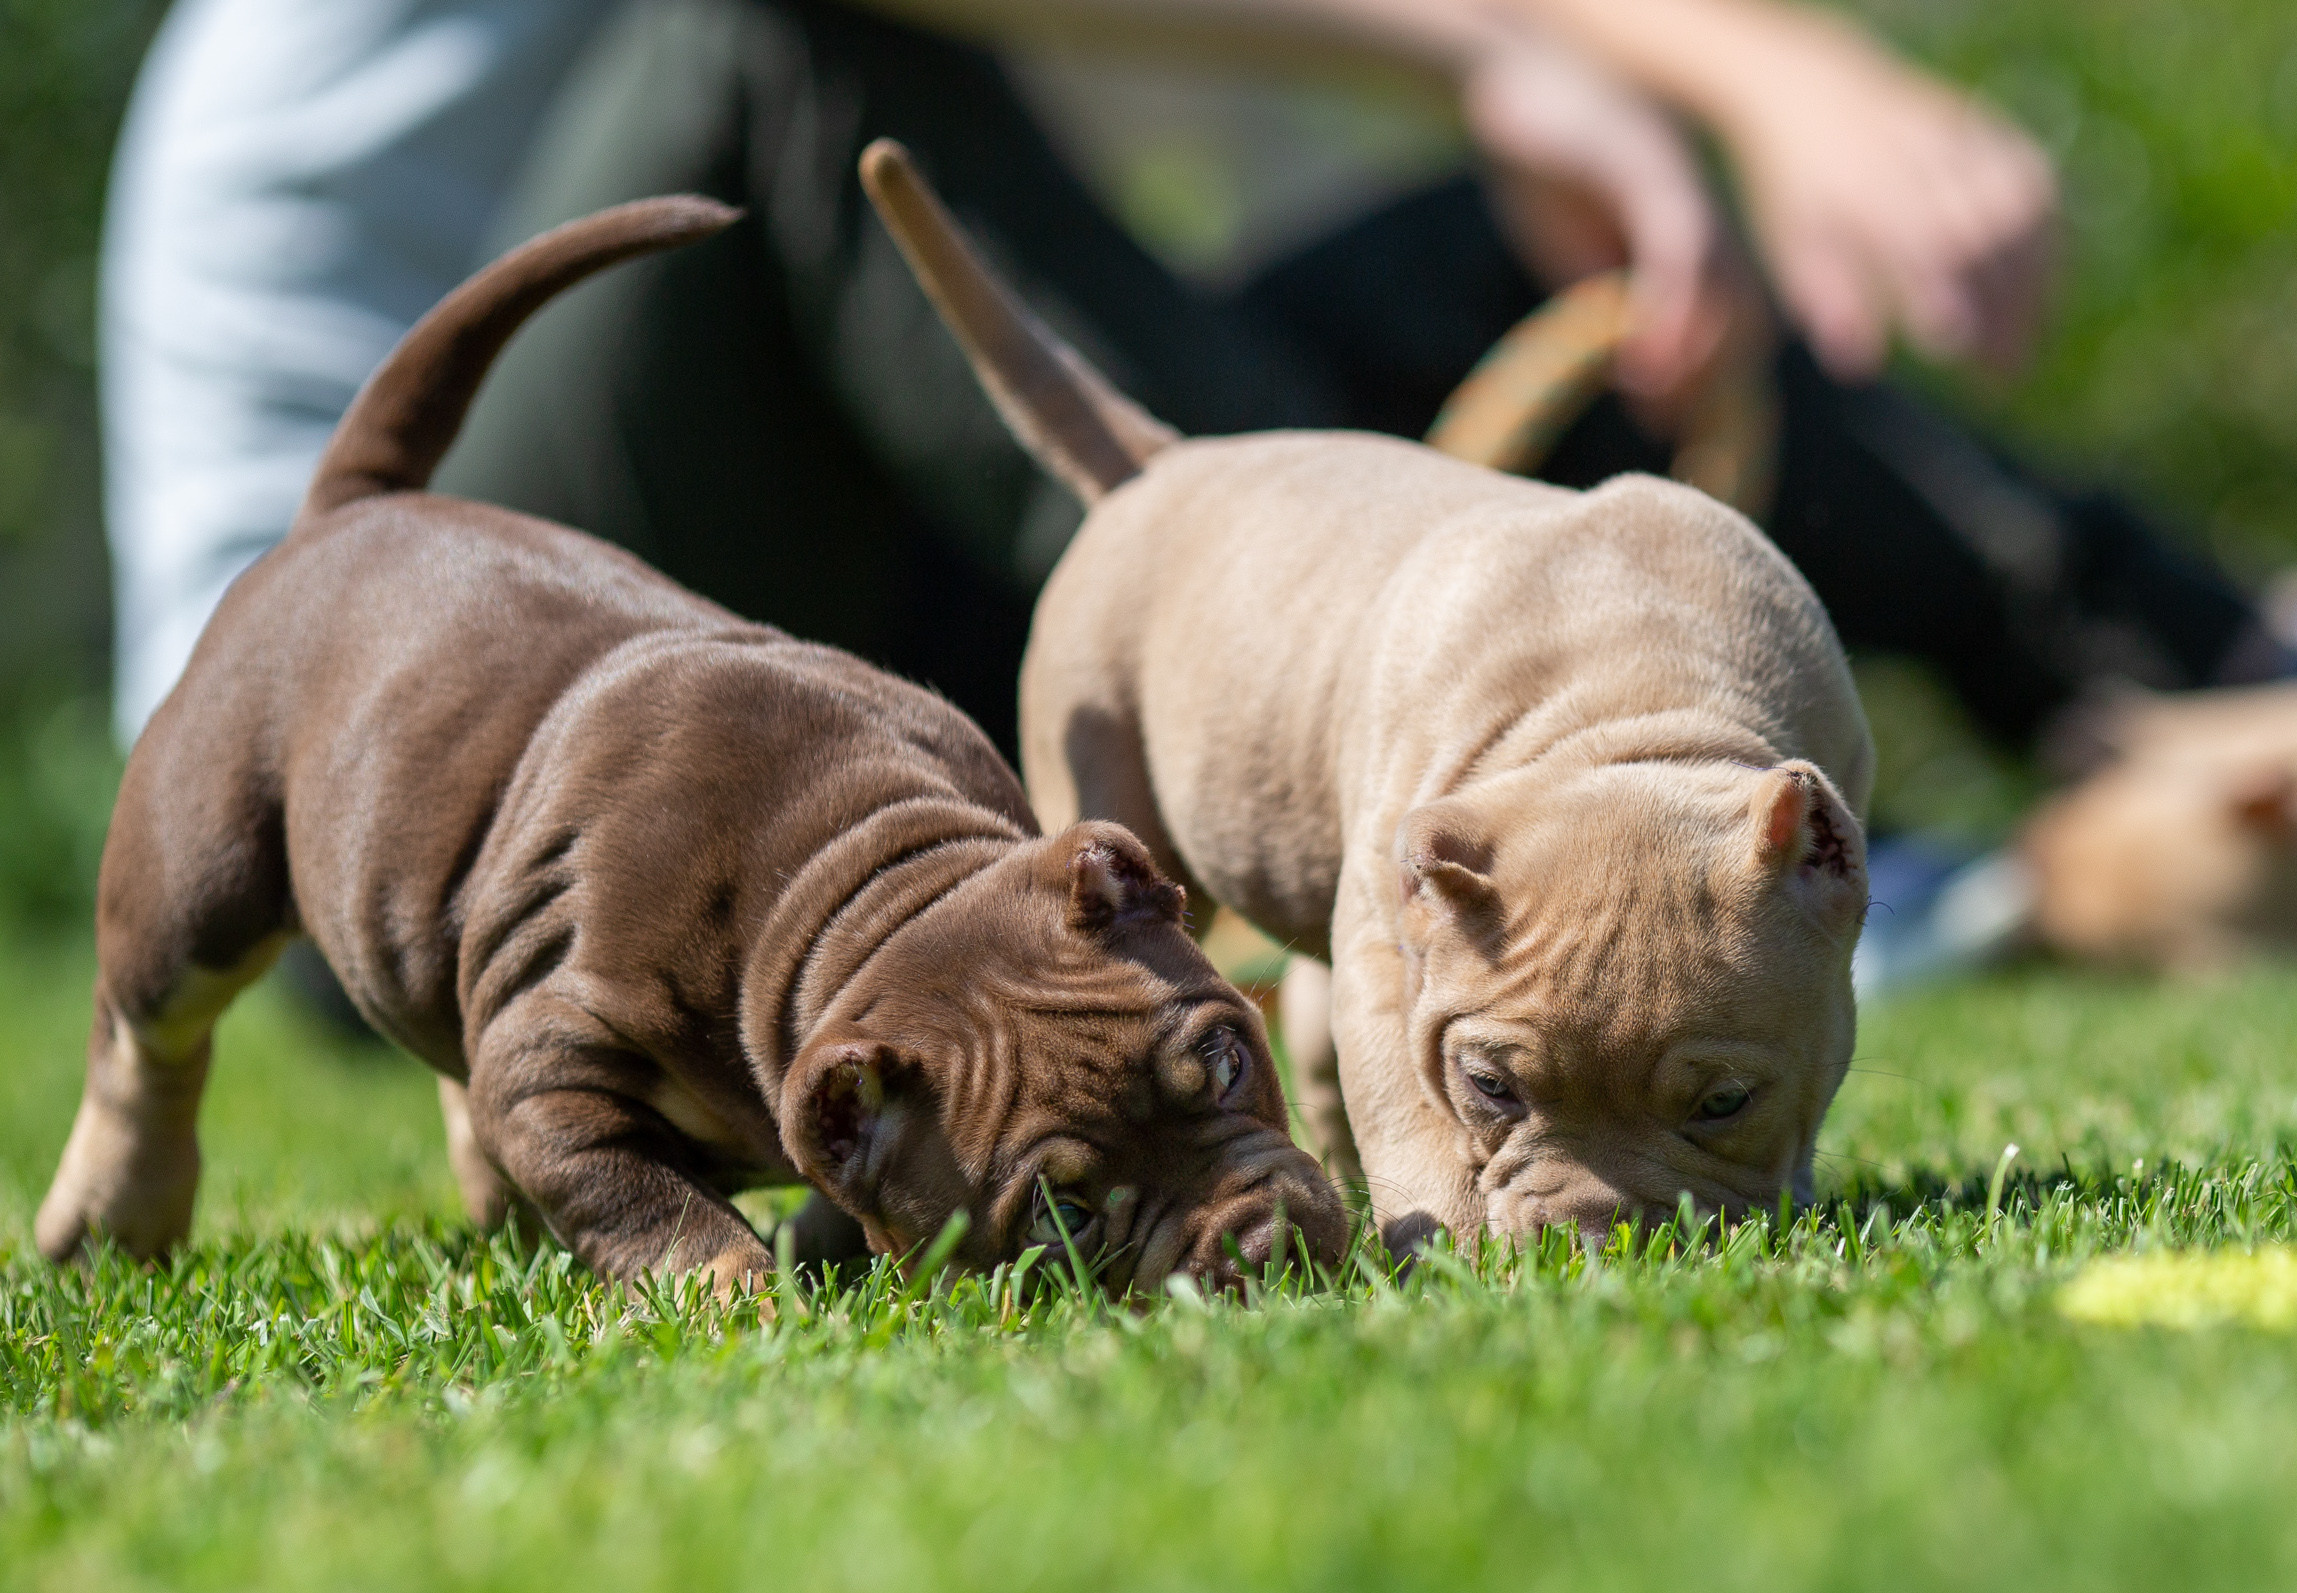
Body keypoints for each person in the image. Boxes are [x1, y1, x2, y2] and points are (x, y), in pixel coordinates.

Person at [104, 0, 2286, 795]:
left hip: (834, 617)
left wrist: (1659, 95)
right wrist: (1625, 61)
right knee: (793, 62)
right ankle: (1412, 798)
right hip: (394, 759)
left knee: (1492, 256)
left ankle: (2205, 686)